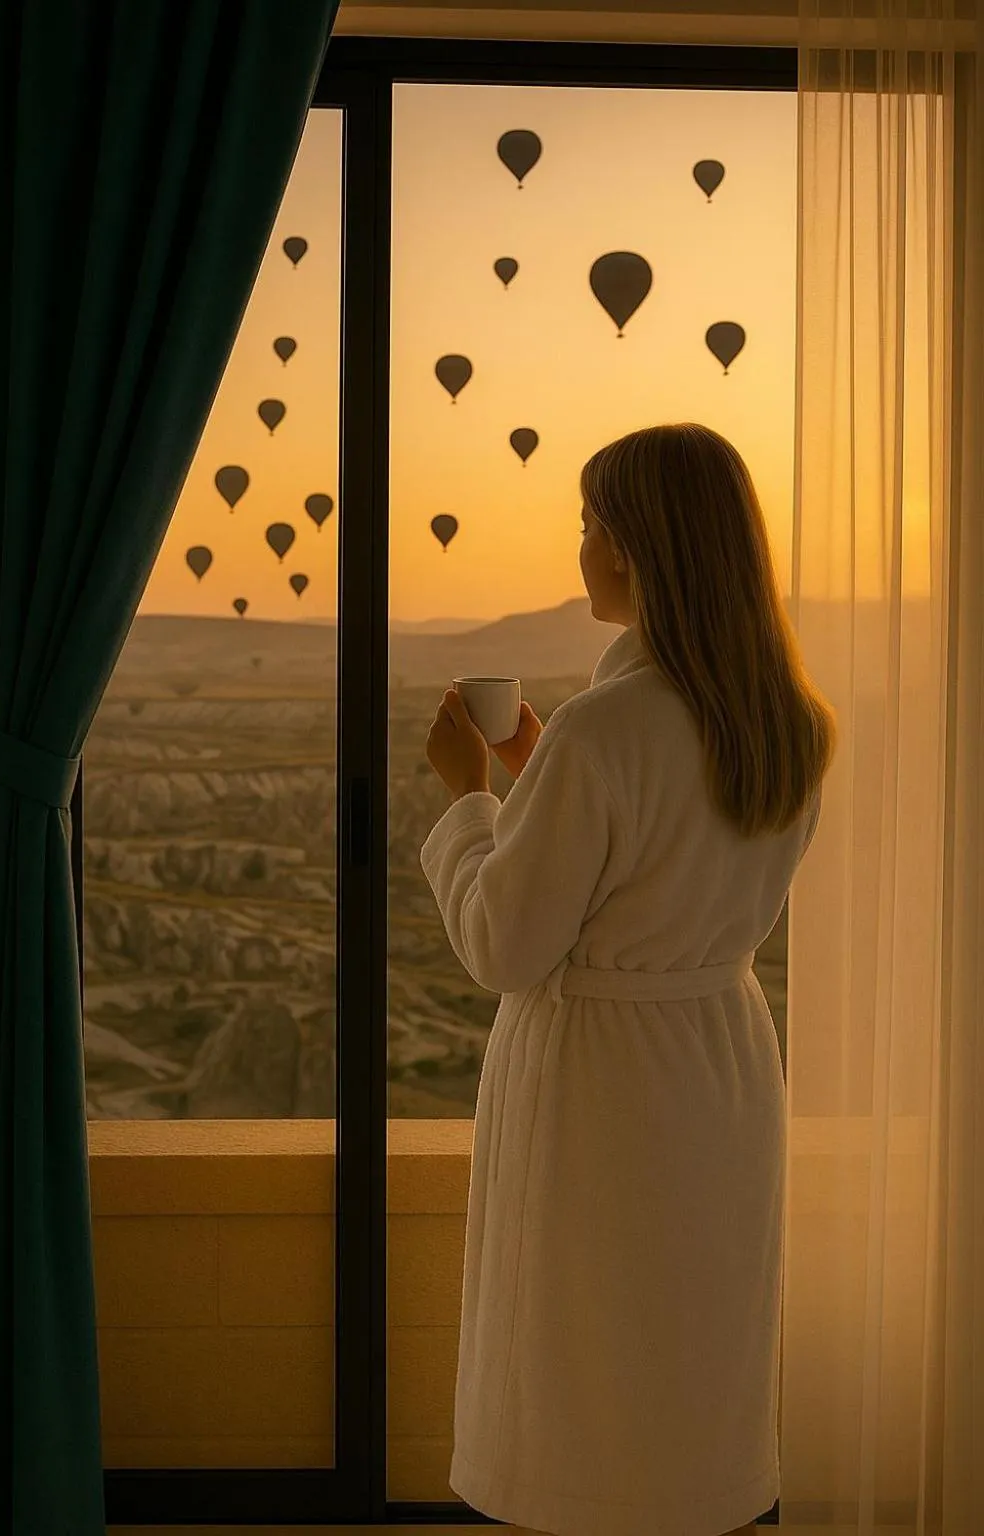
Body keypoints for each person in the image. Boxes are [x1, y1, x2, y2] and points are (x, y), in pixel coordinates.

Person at [421, 421, 836, 1536]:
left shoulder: (605, 733)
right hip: (720, 1062)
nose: (581, 546)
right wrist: (539, 769)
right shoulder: (785, 722)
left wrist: (472, 801)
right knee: (692, 1334)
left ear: (635, 549)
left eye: (589, 523)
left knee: (581, 1352)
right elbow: (670, 866)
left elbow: (506, 947)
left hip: (601, 1082)